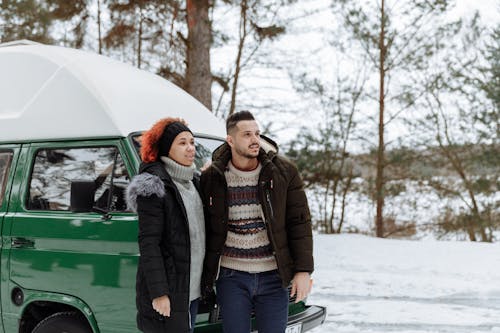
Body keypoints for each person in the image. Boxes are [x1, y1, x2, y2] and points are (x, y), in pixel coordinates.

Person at [200, 111, 314, 333]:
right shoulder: (212, 177)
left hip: (273, 276)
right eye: (247, 134)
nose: (255, 140)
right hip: (232, 277)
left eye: (257, 133)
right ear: (230, 140)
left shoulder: (283, 172)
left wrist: (303, 270)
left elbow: (299, 223)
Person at [126, 118, 205, 333]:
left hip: (191, 289)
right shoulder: (153, 185)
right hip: (169, 292)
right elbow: (149, 242)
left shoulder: (195, 183)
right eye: (182, 143)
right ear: (166, 148)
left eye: (192, 142)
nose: (190, 148)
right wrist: (159, 293)